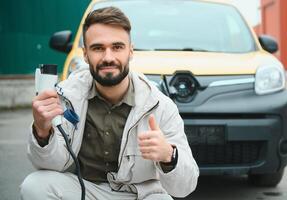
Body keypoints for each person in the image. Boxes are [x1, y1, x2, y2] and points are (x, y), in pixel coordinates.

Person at [20, 6, 199, 200]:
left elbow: (185, 187)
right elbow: (51, 165)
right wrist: (42, 131)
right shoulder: (66, 97)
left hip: (139, 194)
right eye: (98, 48)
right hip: (84, 190)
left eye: (117, 47)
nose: (108, 57)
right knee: (35, 186)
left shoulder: (160, 106)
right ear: (85, 54)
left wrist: (168, 156)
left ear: (130, 51)